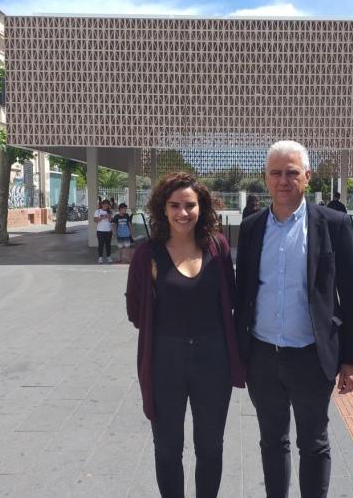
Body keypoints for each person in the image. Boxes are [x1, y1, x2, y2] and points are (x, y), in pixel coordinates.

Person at [235, 140, 353, 498]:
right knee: (272, 441)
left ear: (307, 176)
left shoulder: (333, 225)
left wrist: (352, 359)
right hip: (262, 356)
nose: (283, 180)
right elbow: (243, 293)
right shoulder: (251, 228)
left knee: (313, 442)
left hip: (312, 356)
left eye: (291, 173)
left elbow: (351, 296)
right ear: (265, 177)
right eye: (275, 173)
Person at [126, 172, 245, 498]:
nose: (182, 213)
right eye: (174, 205)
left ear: (201, 207)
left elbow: (230, 296)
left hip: (214, 359)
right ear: (162, 209)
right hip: (165, 359)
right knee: (167, 448)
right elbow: (135, 310)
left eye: (190, 205)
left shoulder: (217, 247)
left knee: (211, 447)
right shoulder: (147, 255)